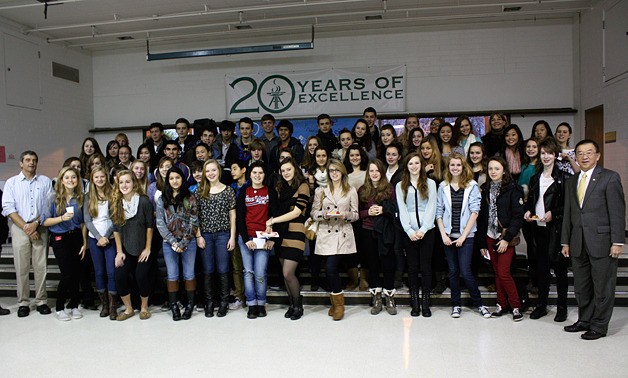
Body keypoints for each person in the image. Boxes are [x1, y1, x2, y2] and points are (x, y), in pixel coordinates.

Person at [561, 139, 625, 340]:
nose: (584, 156)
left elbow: (617, 212)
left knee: (603, 286)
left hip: (602, 242)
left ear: (597, 155)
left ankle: (599, 325)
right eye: (580, 153)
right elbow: (568, 213)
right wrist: (565, 241)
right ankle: (584, 320)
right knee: (582, 287)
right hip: (578, 242)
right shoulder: (572, 181)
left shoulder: (609, 178)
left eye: (589, 152)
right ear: (576, 157)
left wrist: (617, 241)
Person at [436, 153, 490, 319]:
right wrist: (444, 234)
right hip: (448, 236)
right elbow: (439, 211)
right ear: (448, 167)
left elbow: (475, 212)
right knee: (452, 271)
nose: (455, 168)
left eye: (458, 165)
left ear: (463, 166)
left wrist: (463, 237)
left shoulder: (472, 185)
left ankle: (479, 304)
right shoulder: (443, 186)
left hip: (467, 236)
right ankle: (456, 304)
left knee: (466, 272)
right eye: (452, 165)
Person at [2, 151, 53, 317]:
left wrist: (35, 224)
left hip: (40, 226)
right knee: (22, 267)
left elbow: (48, 207)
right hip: (19, 227)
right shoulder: (12, 183)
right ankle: (23, 302)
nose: (31, 163)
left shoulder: (45, 181)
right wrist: (26, 227)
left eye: (34, 160)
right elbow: (8, 208)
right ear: (21, 163)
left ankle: (41, 301)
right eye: (28, 160)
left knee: (41, 266)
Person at [524, 138, 571, 322]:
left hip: (557, 231)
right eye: (543, 153)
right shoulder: (536, 177)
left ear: (555, 155)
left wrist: (554, 214)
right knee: (542, 270)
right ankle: (542, 305)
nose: (545, 156)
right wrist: (528, 211)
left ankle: (562, 307)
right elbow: (530, 201)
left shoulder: (563, 178)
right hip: (539, 230)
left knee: (560, 271)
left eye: (549, 153)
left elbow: (567, 207)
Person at [477, 157, 525, 322]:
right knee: (497, 272)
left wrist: (507, 239)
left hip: (505, 237)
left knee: (504, 272)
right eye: (490, 169)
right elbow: (482, 217)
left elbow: (518, 217)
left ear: (504, 170)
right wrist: (482, 242)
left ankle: (516, 306)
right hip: (490, 236)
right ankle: (501, 304)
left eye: (497, 168)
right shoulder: (485, 189)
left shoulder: (513, 189)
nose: (493, 172)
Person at [311, 159, 359, 321]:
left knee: (331, 267)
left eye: (337, 170)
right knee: (329, 268)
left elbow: (356, 214)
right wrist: (322, 215)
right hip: (326, 231)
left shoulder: (350, 190)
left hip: (343, 232)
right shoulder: (321, 190)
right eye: (331, 171)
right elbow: (313, 213)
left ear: (343, 172)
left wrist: (346, 215)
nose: (334, 173)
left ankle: (339, 305)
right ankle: (335, 303)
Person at [265, 157, 310, 320]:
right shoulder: (280, 187)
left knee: (288, 272)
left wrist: (273, 220)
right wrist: (272, 223)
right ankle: (292, 304)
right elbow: (276, 210)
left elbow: (297, 212)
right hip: (281, 233)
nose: (286, 173)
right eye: (283, 171)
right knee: (285, 274)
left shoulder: (303, 186)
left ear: (295, 169)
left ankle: (298, 304)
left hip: (296, 231)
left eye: (289, 169)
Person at [156, 166, 202, 321]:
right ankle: (174, 305)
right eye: (171, 178)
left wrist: (183, 242)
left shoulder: (190, 197)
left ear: (182, 179)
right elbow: (160, 223)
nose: (174, 181)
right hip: (169, 243)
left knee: (189, 273)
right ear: (167, 181)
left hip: (188, 242)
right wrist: (172, 242)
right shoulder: (162, 199)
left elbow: (194, 221)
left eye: (177, 178)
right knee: (172, 274)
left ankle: (190, 305)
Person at [42, 166, 87, 321]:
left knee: (76, 273)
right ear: (61, 180)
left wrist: (84, 241)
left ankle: (74, 305)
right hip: (60, 238)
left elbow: (83, 223)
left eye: (73, 177)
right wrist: (61, 218)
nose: (70, 180)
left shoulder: (80, 197)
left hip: (76, 237)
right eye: (67, 177)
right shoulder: (52, 197)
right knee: (66, 273)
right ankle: (60, 307)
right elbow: (45, 221)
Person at [396, 153, 437, 317]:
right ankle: (415, 303)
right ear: (406, 166)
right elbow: (402, 208)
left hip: (427, 231)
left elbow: (432, 206)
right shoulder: (400, 185)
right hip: (409, 233)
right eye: (410, 163)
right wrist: (409, 230)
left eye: (417, 163)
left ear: (422, 165)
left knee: (426, 267)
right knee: (412, 268)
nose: (414, 166)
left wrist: (424, 228)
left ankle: (425, 303)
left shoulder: (431, 183)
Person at [236, 162, 277, 319]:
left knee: (260, 273)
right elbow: (240, 217)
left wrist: (272, 238)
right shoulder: (244, 192)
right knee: (248, 272)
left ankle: (261, 303)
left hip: (263, 238)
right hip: (246, 238)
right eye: (255, 172)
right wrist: (246, 239)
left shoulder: (270, 192)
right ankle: (251, 304)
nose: (257, 175)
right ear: (250, 174)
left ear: (264, 175)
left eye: (260, 173)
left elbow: (275, 216)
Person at [111, 170, 154, 321]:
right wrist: (119, 252)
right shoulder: (116, 203)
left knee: (141, 275)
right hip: (126, 248)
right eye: (121, 182)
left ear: (134, 183)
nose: (124, 185)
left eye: (127, 181)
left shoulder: (143, 201)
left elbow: (150, 226)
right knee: (120, 275)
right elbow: (116, 230)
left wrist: (147, 248)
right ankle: (129, 309)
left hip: (143, 248)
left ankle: (144, 307)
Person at [197, 159, 236, 318]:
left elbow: (232, 216)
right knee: (207, 270)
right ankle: (209, 303)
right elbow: (195, 216)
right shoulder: (200, 191)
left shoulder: (228, 191)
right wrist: (198, 235)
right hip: (205, 235)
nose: (211, 174)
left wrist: (232, 237)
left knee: (223, 269)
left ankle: (224, 303)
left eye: (214, 170)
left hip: (223, 235)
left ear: (219, 171)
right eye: (208, 171)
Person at [359, 159, 397, 315]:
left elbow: (395, 209)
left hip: (385, 232)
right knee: (373, 265)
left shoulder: (389, 189)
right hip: (367, 231)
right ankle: (376, 298)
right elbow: (358, 213)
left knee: (388, 264)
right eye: (371, 171)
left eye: (377, 171)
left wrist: (382, 209)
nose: (374, 174)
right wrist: (368, 212)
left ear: (381, 172)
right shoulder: (362, 190)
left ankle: (389, 297)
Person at [84, 167, 118, 320]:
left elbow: (116, 218)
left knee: (111, 272)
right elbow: (87, 220)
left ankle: (112, 306)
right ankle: (104, 304)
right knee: (99, 273)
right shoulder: (87, 197)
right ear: (92, 179)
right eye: (96, 177)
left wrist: (106, 236)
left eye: (102, 177)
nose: (99, 179)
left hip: (110, 237)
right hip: (94, 238)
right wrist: (98, 237)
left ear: (106, 178)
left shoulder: (113, 194)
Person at [344, 144, 369, 291]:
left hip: (365, 217)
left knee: (365, 249)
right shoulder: (344, 175)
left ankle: (364, 280)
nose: (354, 157)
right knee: (350, 249)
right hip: (349, 217)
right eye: (352, 155)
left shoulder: (367, 173)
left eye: (357, 155)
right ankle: (353, 280)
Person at [229, 160, 249, 310]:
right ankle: (239, 296)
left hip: (250, 230)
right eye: (231, 169)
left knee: (250, 266)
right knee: (236, 266)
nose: (232, 172)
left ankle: (252, 296)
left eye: (235, 168)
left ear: (243, 169)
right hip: (234, 232)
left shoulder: (251, 186)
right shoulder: (231, 189)